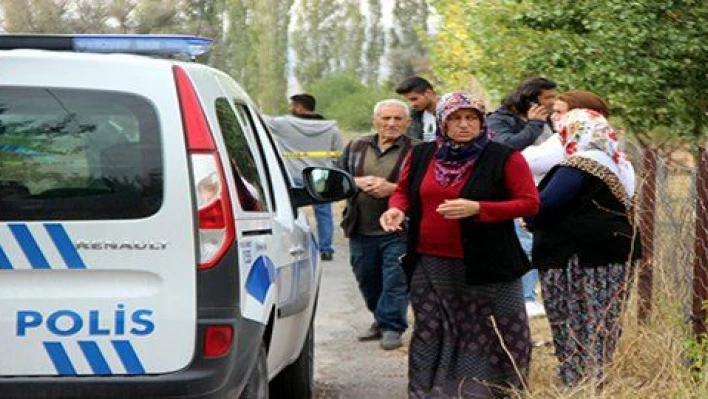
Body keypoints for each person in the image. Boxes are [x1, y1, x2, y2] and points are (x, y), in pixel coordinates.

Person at [380, 92, 539, 397]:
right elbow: (403, 192)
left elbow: (529, 204)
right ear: (442, 122)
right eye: (455, 118)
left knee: (493, 329)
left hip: (488, 263)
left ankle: (489, 391)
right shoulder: (423, 154)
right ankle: (429, 391)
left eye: (471, 118)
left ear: (481, 122)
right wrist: (396, 209)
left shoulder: (504, 156)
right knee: (431, 329)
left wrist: (480, 208)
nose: (464, 125)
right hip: (429, 261)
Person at [525, 109, 641, 387]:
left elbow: (545, 204)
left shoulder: (579, 164)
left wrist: (528, 216)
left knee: (576, 317)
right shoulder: (619, 163)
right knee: (603, 318)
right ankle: (595, 378)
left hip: (583, 255)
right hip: (614, 252)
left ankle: (578, 382)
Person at [338, 99, 415, 351]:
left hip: (399, 231)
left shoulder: (418, 150)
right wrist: (357, 182)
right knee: (368, 279)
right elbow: (335, 177)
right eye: (386, 118)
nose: (391, 124)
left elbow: (427, 188)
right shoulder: (356, 145)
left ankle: (392, 326)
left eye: (397, 119)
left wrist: (392, 189)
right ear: (375, 121)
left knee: (395, 279)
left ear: (408, 122)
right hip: (360, 226)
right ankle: (380, 320)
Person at [487, 77, 558, 318]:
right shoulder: (500, 119)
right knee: (526, 245)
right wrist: (534, 125)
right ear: (531, 98)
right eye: (547, 97)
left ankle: (527, 295)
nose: (553, 102)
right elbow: (505, 147)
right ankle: (525, 298)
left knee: (537, 244)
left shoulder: (549, 119)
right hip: (511, 193)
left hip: (543, 190)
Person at [264, 93, 344, 261]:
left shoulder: (283, 124)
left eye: (292, 105)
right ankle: (326, 249)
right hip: (320, 175)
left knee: (289, 212)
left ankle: (289, 246)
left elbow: (259, 118)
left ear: (300, 107)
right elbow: (338, 154)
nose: (290, 109)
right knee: (324, 213)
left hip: (292, 175)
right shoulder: (331, 128)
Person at [395, 76, 438, 142]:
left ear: (428, 93)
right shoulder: (413, 117)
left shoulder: (453, 112)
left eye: (414, 99)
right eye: (408, 100)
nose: (412, 104)